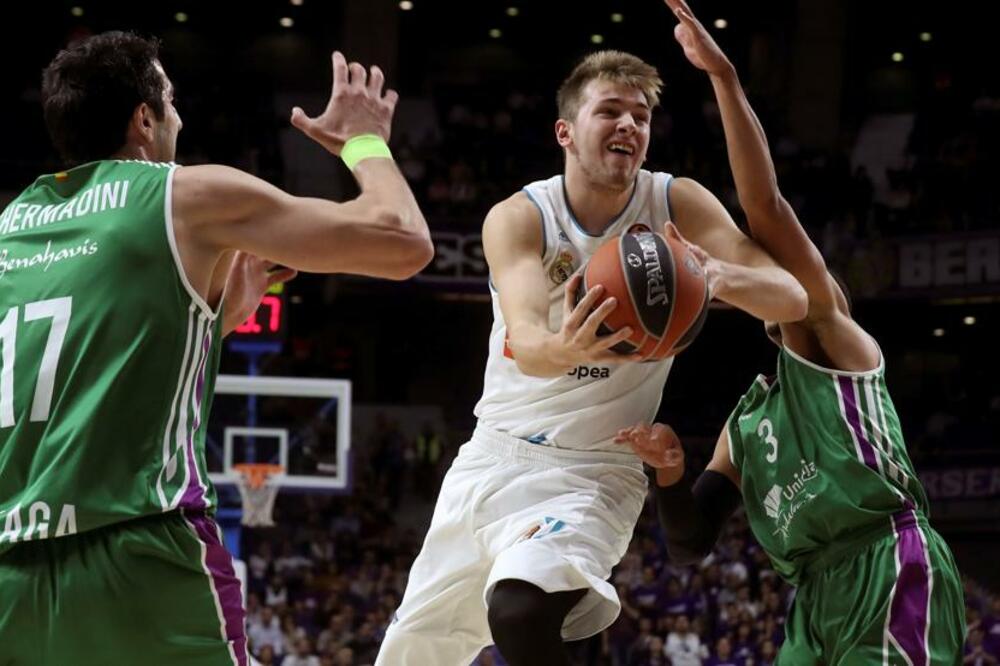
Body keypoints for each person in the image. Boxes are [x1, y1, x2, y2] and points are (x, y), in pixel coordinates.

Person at [0, 31, 432, 665]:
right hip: (142, 554)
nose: (178, 116)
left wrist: (216, 319)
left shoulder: (12, 227)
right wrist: (363, 140)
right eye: (170, 101)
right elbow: (403, 242)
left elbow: (74, 368)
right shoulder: (184, 195)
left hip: (13, 576)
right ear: (143, 120)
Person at [376, 45, 808, 666]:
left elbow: (792, 296)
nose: (628, 125)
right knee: (410, 655)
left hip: (596, 467)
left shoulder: (676, 205)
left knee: (521, 609)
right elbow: (525, 341)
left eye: (640, 115)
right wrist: (565, 346)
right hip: (493, 456)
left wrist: (717, 274)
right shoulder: (520, 217)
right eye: (609, 111)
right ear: (566, 133)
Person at [616, 2, 966, 664]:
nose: (771, 271)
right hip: (812, 600)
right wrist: (667, 475)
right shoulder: (746, 424)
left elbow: (765, 207)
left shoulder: (839, 341)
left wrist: (724, 80)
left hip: (888, 560)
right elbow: (690, 543)